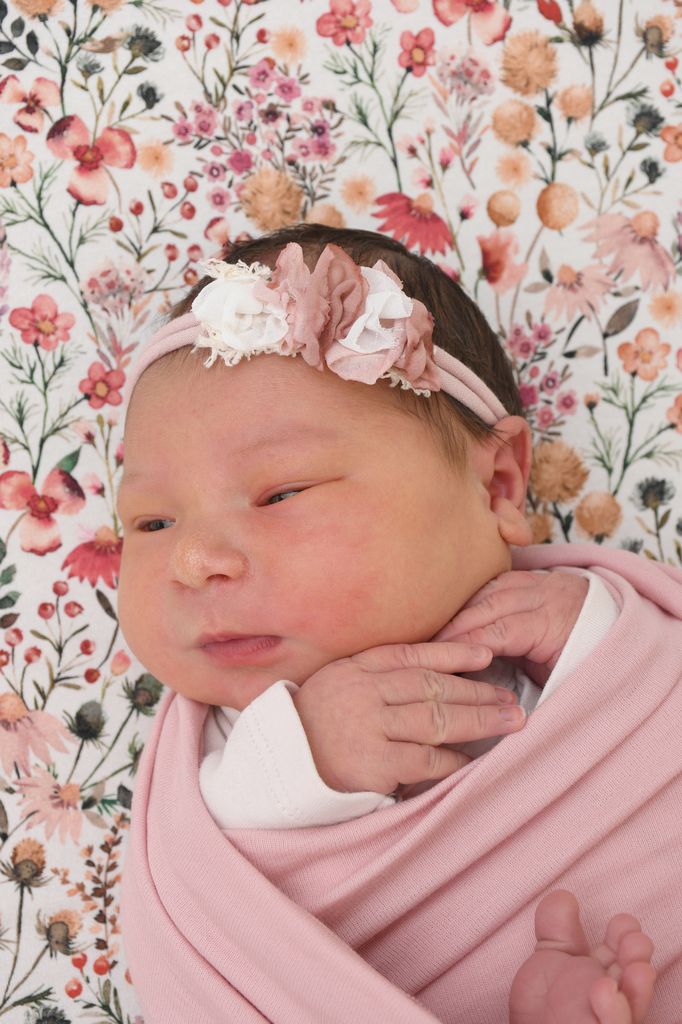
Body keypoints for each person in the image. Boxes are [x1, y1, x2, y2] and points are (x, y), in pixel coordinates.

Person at [118, 225, 681, 1024]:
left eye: (282, 493)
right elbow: (209, 896)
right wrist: (301, 758)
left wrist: (598, 642)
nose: (194, 559)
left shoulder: (588, 623)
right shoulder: (225, 758)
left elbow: (660, 717)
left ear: (497, 485)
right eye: (149, 523)